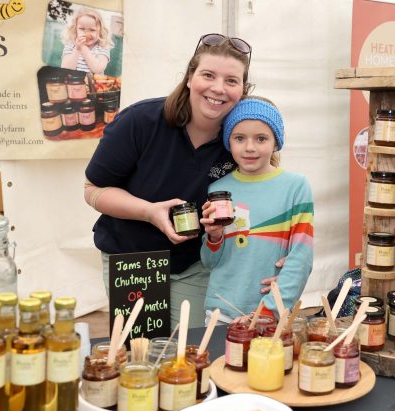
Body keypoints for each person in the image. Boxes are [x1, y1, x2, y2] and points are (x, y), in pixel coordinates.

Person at [85, 33, 276, 329]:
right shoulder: (141, 121)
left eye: (231, 81)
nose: (218, 89)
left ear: (243, 90)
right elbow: (93, 190)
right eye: (208, 75)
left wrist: (282, 250)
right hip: (134, 259)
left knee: (191, 353)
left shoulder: (241, 141)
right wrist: (149, 212)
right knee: (142, 356)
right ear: (189, 77)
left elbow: (268, 195)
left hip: (196, 264)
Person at [200, 97, 314, 323]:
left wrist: (270, 309)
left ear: (276, 142)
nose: (250, 147)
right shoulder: (217, 190)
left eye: (261, 138)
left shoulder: (295, 187)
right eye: (239, 138)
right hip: (220, 315)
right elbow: (209, 262)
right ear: (228, 142)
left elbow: (301, 258)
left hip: (269, 315)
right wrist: (214, 236)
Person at [61, 7, 113, 74]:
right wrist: (77, 49)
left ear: (100, 31)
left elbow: (97, 69)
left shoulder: (103, 48)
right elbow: (66, 70)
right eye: (82, 29)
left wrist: (83, 48)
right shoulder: (70, 46)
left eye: (92, 30)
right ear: (75, 29)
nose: (86, 34)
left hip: (93, 84)